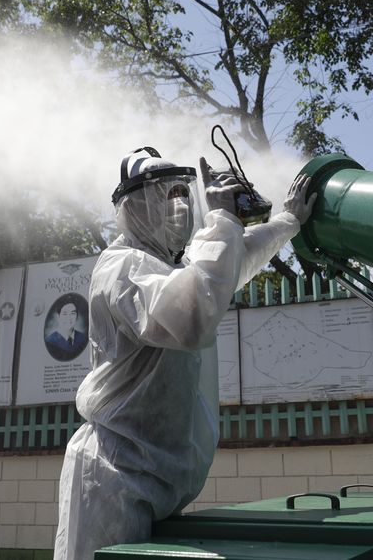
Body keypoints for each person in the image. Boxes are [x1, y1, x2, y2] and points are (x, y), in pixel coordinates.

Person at [53, 146, 317, 559]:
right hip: (112, 478)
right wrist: (224, 220)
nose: (178, 205)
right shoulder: (121, 268)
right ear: (134, 204)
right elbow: (192, 316)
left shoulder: (170, 267)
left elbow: (232, 262)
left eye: (182, 193)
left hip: (155, 479)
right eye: (165, 194)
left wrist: (288, 220)